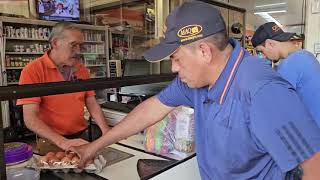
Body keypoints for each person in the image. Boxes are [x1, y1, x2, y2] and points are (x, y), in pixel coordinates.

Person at [71, 1, 320, 179]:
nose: (175, 68)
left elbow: (313, 167)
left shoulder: (264, 92)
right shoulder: (197, 80)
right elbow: (151, 109)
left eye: (177, 58)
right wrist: (95, 146)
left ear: (203, 51)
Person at [16, 22, 110, 155]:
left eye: (80, 46)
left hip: (81, 136)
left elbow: (92, 103)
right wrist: (62, 142)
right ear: (55, 43)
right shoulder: (33, 70)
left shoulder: (81, 69)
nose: (78, 51)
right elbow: (30, 118)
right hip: (51, 141)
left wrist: (107, 132)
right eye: (73, 45)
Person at [251, 22, 320, 127]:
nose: (264, 56)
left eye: (261, 51)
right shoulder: (306, 55)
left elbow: (275, 107)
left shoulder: (290, 64)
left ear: (270, 43)